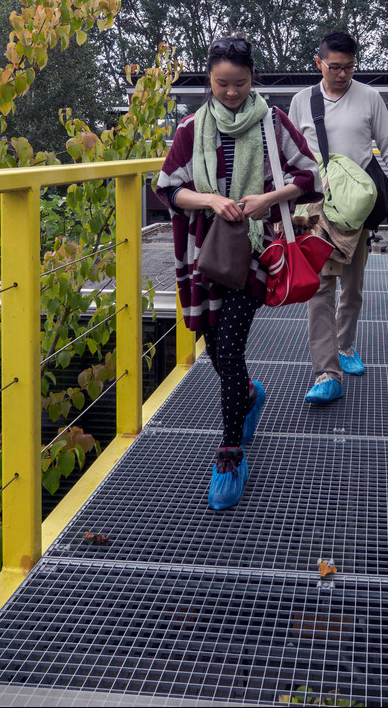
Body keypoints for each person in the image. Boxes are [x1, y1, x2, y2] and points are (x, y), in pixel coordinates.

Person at [154, 33, 322, 510]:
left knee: (228, 345)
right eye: (222, 84)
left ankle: (229, 453)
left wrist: (267, 199)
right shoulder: (191, 128)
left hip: (255, 253)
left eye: (240, 83)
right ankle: (248, 394)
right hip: (206, 253)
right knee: (216, 350)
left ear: (254, 79)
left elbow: (311, 176)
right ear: (208, 79)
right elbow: (168, 188)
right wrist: (210, 199)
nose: (231, 93)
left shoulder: (271, 121)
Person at [288, 31, 388, 404]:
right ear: (319, 64)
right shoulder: (301, 102)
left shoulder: (369, 98)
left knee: (353, 286)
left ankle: (345, 346)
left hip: (355, 208)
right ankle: (326, 372)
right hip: (315, 206)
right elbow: (289, 153)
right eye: (335, 67)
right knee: (319, 288)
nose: (342, 73)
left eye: (349, 67)